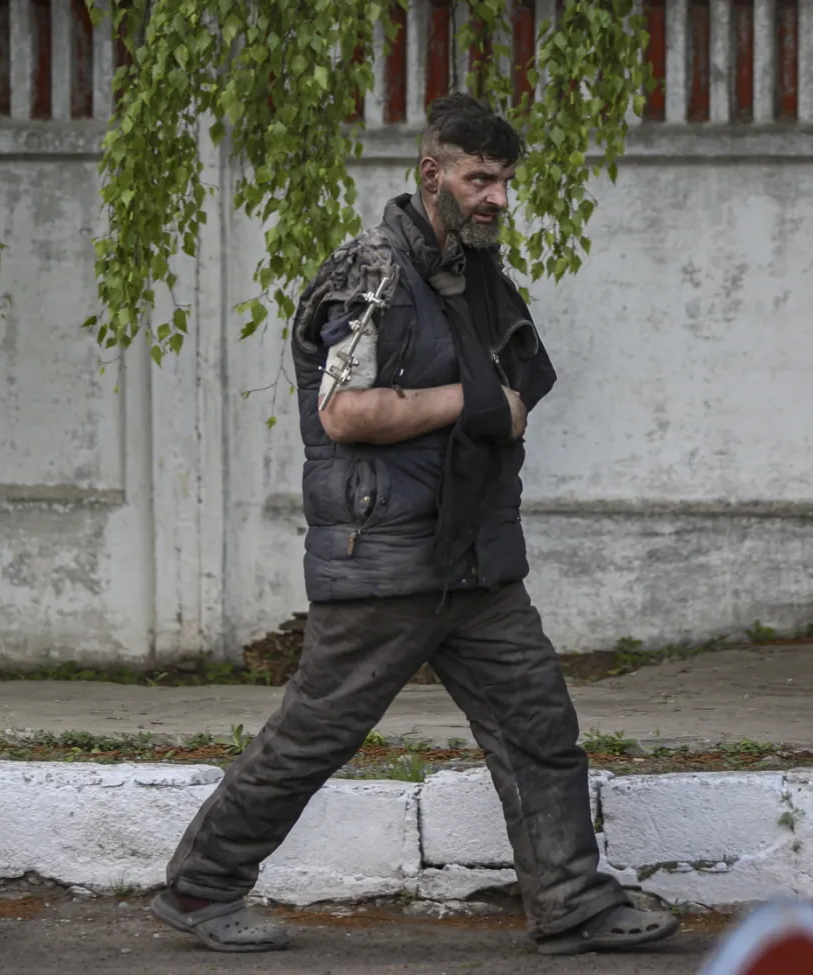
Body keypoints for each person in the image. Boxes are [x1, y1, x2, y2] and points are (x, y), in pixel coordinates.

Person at [149, 94, 680, 957]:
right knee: (312, 738)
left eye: (505, 181)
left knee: (539, 725)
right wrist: (478, 404)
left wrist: (499, 405)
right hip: (387, 562)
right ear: (431, 173)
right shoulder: (372, 273)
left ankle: (572, 900)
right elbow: (345, 413)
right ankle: (201, 886)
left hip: (472, 562)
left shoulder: (470, 275)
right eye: (479, 178)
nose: (496, 197)